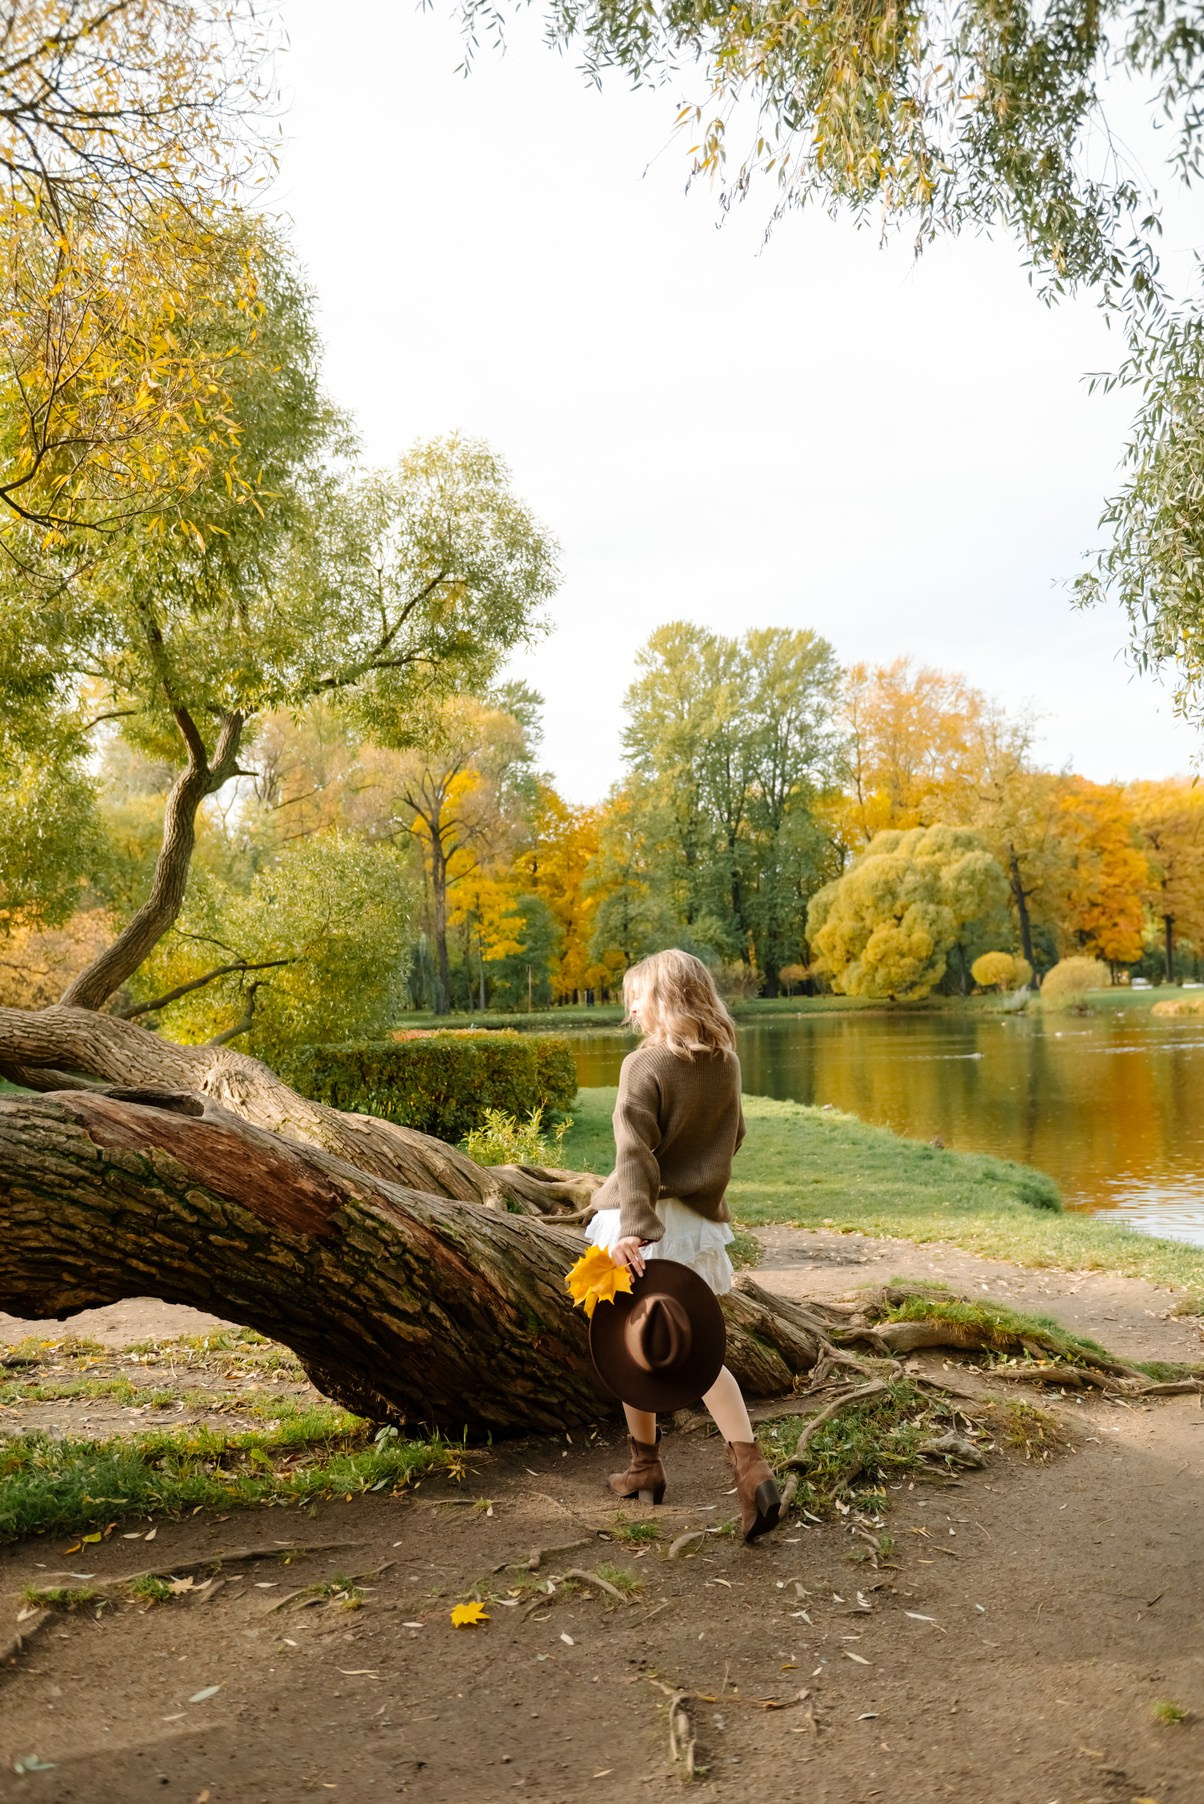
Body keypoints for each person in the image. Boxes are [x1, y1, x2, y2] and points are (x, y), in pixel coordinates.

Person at [585, 948, 781, 1542]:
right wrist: (699, 1175)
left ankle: (655, 1467)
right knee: (690, 1348)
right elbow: (735, 1135)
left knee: (633, 1344)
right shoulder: (725, 1063)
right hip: (694, 1223)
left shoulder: (644, 1065)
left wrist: (632, 1231)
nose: (632, 1008)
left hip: (642, 1221)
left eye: (637, 996)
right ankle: (738, 1469)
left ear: (665, 997)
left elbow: (634, 1155)